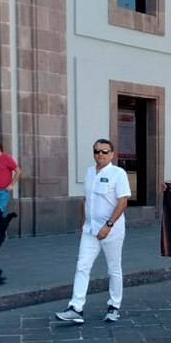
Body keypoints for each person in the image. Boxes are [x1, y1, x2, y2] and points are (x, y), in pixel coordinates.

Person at [56, 138, 129, 325]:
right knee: (82, 266)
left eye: (104, 151)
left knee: (114, 268)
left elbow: (123, 202)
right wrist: (83, 223)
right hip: (90, 229)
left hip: (111, 230)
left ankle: (114, 306)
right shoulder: (89, 173)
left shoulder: (118, 173)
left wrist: (109, 225)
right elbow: (86, 200)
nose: (100, 155)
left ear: (112, 154)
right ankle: (75, 308)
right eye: (97, 151)